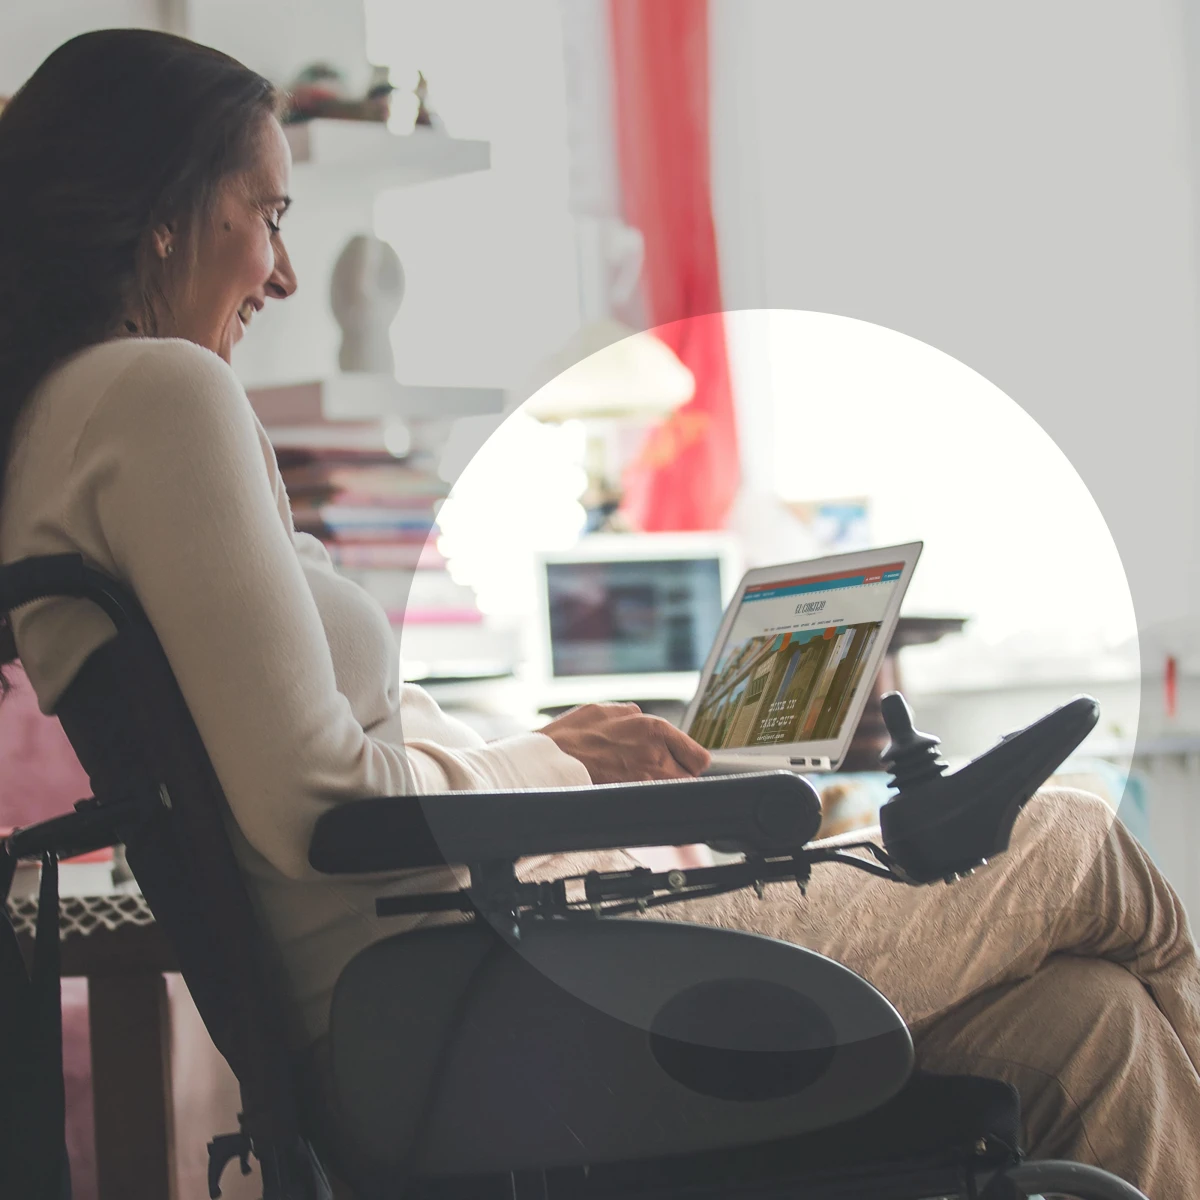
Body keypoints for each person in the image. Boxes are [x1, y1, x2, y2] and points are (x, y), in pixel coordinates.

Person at [0, 29, 1196, 1197]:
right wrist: (559, 768)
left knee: (1090, 1028)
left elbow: (318, 772)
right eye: (268, 215)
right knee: (1074, 837)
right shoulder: (160, 394)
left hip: (478, 999)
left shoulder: (73, 423)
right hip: (502, 1010)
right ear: (162, 207)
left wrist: (547, 755)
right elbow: (320, 810)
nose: (286, 272)